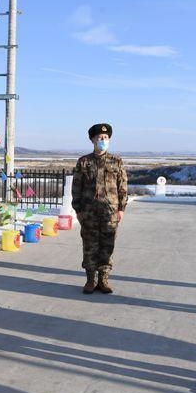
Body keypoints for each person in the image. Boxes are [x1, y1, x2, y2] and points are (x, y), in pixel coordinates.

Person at [71, 123, 128, 294]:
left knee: (107, 246)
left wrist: (121, 208)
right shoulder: (84, 162)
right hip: (88, 212)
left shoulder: (116, 161)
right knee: (89, 245)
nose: (103, 140)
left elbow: (122, 186)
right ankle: (90, 279)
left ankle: (103, 279)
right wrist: (78, 210)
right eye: (99, 138)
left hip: (110, 212)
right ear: (92, 140)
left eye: (106, 138)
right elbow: (76, 187)